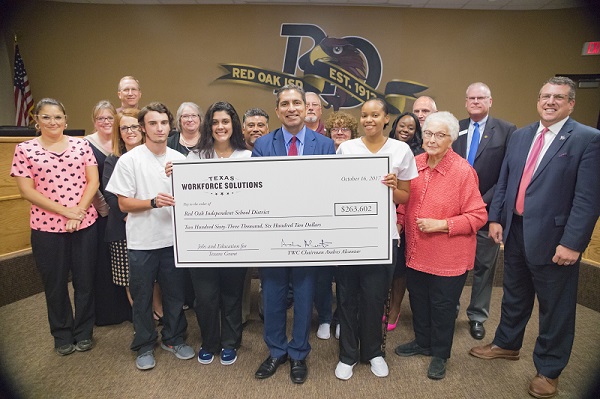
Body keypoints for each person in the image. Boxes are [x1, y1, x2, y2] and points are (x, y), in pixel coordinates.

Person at [470, 76, 600, 399]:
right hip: (515, 230)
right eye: (545, 96)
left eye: (559, 97)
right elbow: (506, 179)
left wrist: (573, 243)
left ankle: (549, 369)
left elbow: (588, 198)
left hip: (556, 239)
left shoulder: (587, 139)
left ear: (571, 102)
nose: (550, 102)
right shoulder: (522, 135)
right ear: (538, 100)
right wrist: (497, 217)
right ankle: (506, 344)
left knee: (555, 307)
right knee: (514, 294)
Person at [252, 84, 335, 384]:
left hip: (309, 234)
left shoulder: (324, 145)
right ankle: (276, 350)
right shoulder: (263, 144)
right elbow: (258, 189)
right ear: (277, 110)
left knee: (303, 294)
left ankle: (299, 352)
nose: (291, 108)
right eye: (284, 104)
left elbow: (329, 189)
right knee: (273, 294)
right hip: (272, 233)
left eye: (296, 103)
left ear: (306, 108)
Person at [394, 111, 487, 380]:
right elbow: (404, 201)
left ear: (451, 140)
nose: (432, 139)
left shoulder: (462, 172)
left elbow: (478, 215)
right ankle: (423, 342)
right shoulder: (415, 163)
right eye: (429, 134)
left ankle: (440, 354)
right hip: (415, 251)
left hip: (449, 257)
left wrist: (442, 224)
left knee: (443, 307)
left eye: (440, 135)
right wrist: (399, 221)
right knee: (419, 301)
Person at [106, 102, 194, 371]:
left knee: (175, 295)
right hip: (142, 242)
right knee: (142, 297)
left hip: (173, 241)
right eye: (153, 123)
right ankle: (144, 344)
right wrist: (153, 202)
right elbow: (123, 204)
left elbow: (193, 197)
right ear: (143, 128)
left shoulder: (180, 159)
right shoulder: (129, 160)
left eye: (164, 123)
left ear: (170, 126)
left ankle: (174, 338)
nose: (159, 128)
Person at [334, 98, 417, 380]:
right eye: (364, 115)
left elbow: (406, 196)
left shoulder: (401, 150)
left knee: (374, 297)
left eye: (375, 115)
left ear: (386, 119)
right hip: (349, 234)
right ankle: (347, 355)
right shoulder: (346, 148)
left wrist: (393, 188)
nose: (369, 120)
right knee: (347, 296)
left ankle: (373, 352)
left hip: (383, 237)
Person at [11, 98, 99, 355]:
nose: (53, 122)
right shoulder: (24, 149)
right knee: (55, 284)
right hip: (46, 228)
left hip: (84, 224)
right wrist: (65, 212)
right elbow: (27, 191)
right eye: (46, 117)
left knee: (85, 282)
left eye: (58, 117)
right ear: (36, 121)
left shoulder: (81, 145)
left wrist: (79, 212)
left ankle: (84, 332)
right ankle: (61, 334)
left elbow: (92, 181)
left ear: (66, 120)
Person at [167, 101, 251, 366]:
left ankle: (230, 342)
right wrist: (173, 174)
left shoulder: (247, 157)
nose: (220, 127)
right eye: (215, 122)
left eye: (225, 121)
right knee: (205, 297)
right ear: (209, 126)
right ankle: (210, 342)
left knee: (232, 295)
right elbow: (182, 193)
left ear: (233, 125)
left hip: (235, 239)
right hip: (201, 241)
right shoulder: (196, 157)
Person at [452, 82, 516, 340]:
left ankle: (477, 316)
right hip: (455, 211)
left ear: (490, 101)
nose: (475, 101)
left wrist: (482, 203)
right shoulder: (456, 128)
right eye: (471, 98)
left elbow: (506, 174)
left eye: (481, 98)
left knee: (484, 268)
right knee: (455, 267)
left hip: (488, 210)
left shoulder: (506, 130)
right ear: (466, 102)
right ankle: (450, 310)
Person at [313, 111, 359, 342]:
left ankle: (341, 318)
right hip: (322, 223)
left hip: (348, 225)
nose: (340, 132)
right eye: (335, 129)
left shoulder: (359, 155)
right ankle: (323, 318)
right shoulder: (320, 151)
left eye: (345, 129)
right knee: (322, 276)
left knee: (345, 277)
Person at [86, 101, 132, 326]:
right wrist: (105, 209)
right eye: (100, 118)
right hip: (102, 213)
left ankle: (130, 310)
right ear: (94, 121)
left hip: (125, 213)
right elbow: (91, 182)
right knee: (108, 266)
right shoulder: (87, 144)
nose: (105, 122)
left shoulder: (122, 144)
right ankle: (110, 312)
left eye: (109, 118)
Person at [385, 111, 424, 331]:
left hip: (408, 216)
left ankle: (394, 309)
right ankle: (382, 305)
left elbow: (413, 192)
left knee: (400, 270)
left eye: (411, 127)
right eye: (402, 125)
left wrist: (401, 220)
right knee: (387, 267)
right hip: (387, 216)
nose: (406, 130)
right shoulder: (386, 147)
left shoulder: (420, 154)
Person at [103, 108, 143, 307]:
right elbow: (109, 194)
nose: (130, 131)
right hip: (122, 228)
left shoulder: (153, 155)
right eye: (124, 127)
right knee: (130, 280)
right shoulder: (112, 160)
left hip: (151, 225)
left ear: (142, 128)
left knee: (154, 278)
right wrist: (127, 215)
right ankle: (141, 319)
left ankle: (158, 310)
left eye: (134, 126)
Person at [240, 107, 270, 325]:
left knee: (268, 273)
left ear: (268, 128)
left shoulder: (273, 149)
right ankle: (241, 315)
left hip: (268, 218)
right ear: (243, 129)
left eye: (260, 125)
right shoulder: (235, 152)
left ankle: (266, 310)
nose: (256, 129)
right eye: (251, 125)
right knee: (242, 271)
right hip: (242, 220)